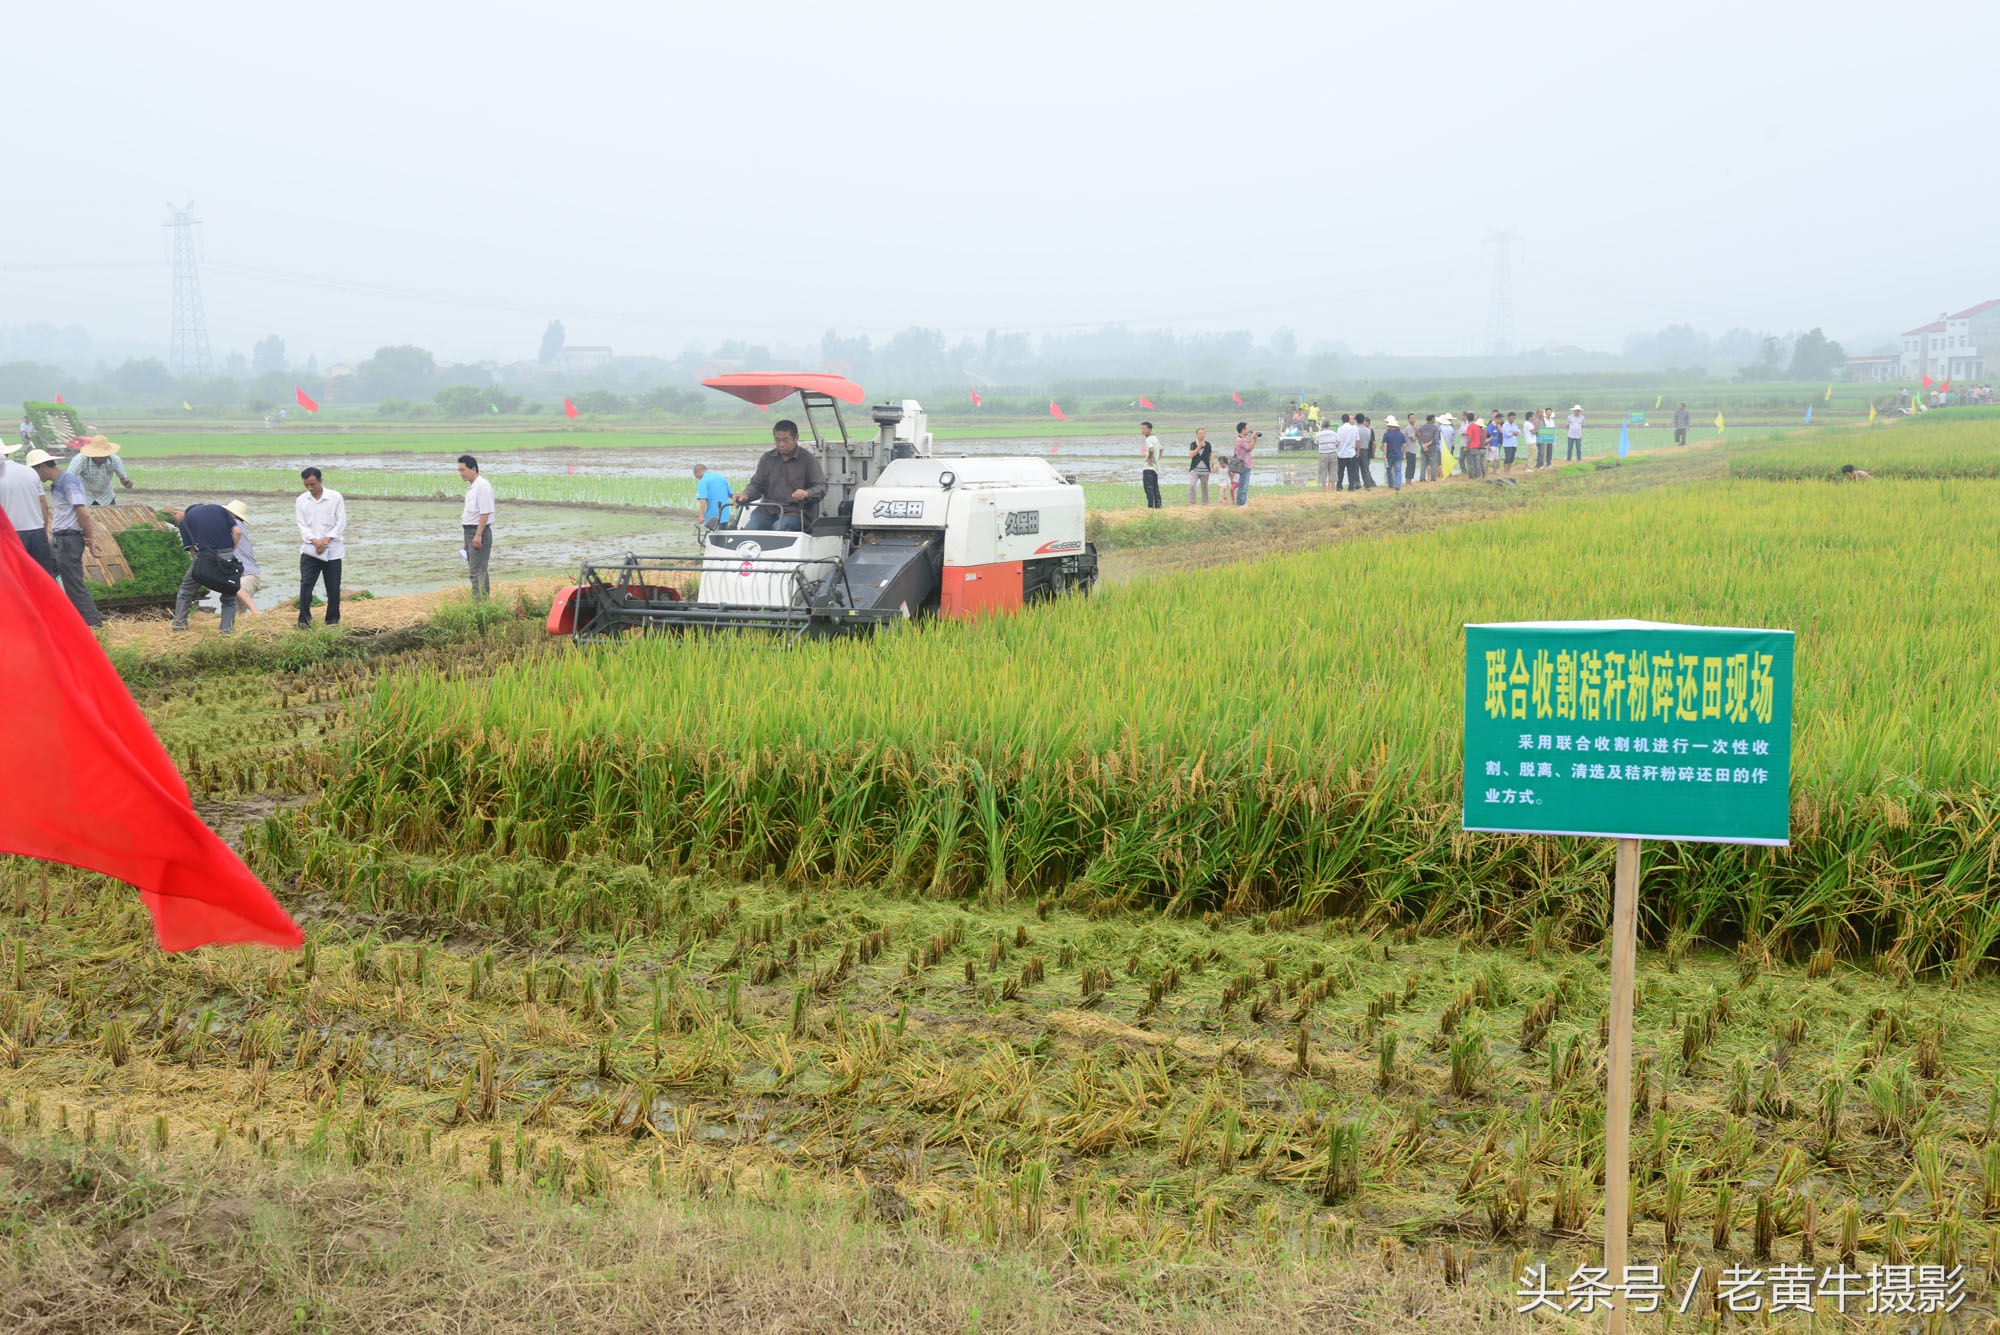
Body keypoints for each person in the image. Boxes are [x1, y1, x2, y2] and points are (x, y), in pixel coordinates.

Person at [34, 447, 105, 627]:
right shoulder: (57, 483)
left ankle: (94, 625)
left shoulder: (68, 482)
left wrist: (90, 539)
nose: (35, 475)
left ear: (42, 466)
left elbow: (83, 512)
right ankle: (66, 618)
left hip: (68, 539)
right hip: (60, 538)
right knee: (50, 572)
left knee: (74, 585)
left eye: (35, 470)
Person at [736, 419, 827, 531]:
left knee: (779, 529)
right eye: (777, 440)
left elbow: (821, 486)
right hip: (768, 511)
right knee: (751, 529)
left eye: (785, 440)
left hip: (796, 513)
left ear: (796, 438)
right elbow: (756, 485)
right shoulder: (767, 459)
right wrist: (746, 494)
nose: (781, 444)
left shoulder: (808, 460)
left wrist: (806, 493)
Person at [172, 500, 243, 636]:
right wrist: (229, 552)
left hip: (204, 557)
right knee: (229, 595)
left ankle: (179, 627)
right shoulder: (220, 509)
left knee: (185, 591)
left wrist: (202, 572)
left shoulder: (185, 521)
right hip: (227, 555)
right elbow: (238, 532)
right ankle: (226, 631)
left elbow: (193, 552)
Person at [295, 466, 346, 628]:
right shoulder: (301, 500)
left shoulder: (335, 497)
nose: (310, 488)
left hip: (333, 550)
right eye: (306, 485)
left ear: (320, 481)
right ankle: (304, 620)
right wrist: (315, 541)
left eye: (313, 484)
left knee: (333, 587)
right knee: (306, 585)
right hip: (310, 550)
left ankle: (332, 620)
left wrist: (326, 540)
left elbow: (341, 522)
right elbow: (301, 524)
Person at [2, 447, 55, 576]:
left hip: (11, 534)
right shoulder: (30, 472)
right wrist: (43, 529)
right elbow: (43, 503)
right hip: (37, 531)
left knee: (17, 576)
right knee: (43, 575)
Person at [456, 454, 495, 601]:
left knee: (476, 572)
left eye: (463, 470)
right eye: (459, 471)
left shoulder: (482, 486)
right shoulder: (472, 488)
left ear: (473, 469)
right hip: (470, 532)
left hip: (479, 531)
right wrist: (467, 540)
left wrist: (478, 535)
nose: (461, 474)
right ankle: (484, 603)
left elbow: (485, 512)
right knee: (479, 570)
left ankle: (478, 605)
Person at [66, 435, 133, 505]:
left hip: (106, 497)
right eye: (101, 455)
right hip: (85, 496)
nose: (104, 457)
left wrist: (126, 483)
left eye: (106, 454)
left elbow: (123, 479)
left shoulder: (114, 459)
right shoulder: (80, 460)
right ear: (93, 454)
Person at [223, 499, 261, 617]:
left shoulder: (234, 525)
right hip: (248, 574)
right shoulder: (238, 525)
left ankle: (256, 614)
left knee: (234, 600)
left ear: (234, 514)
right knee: (237, 611)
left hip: (247, 575)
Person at [692, 463, 734, 530]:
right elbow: (732, 495)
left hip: (713, 517)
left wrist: (701, 516)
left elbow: (703, 499)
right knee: (723, 535)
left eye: (697, 477)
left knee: (711, 536)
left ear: (699, 472)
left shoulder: (703, 480)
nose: (698, 479)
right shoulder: (720, 477)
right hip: (725, 515)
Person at [1333, 413, 1362, 491]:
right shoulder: (1355, 428)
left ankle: (1339, 486)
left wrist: (1336, 447)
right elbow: (1358, 441)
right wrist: (1358, 451)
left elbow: (1338, 441)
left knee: (1340, 471)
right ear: (1348, 420)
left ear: (1342, 420)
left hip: (1342, 454)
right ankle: (1351, 487)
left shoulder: (1340, 429)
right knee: (1351, 471)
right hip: (1351, 453)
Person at [1138, 421, 1163, 509]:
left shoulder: (1148, 439)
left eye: (1144, 428)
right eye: (1142, 428)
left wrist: (1149, 458)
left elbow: (1151, 449)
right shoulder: (1155, 438)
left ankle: (1150, 507)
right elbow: (1161, 449)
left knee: (1148, 488)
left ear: (1149, 429)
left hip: (1148, 467)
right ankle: (1158, 507)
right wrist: (1156, 460)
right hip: (1155, 468)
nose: (1142, 430)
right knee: (1155, 488)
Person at [1381, 415, 1407, 491]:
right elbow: (1404, 445)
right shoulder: (1401, 434)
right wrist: (1404, 454)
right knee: (1398, 471)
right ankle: (1398, 484)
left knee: (1389, 471)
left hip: (1389, 456)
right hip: (1398, 455)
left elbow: (1385, 445)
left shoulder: (1387, 434)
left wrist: (1384, 455)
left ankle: (1391, 485)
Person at [1187, 428, 1213, 505]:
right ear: (1197, 435)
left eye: (1203, 433)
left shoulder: (1208, 444)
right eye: (1200, 433)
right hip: (1195, 469)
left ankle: (1205, 503)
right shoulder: (1193, 444)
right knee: (1192, 485)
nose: (1201, 435)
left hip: (1205, 469)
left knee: (1204, 487)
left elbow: (1210, 454)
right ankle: (1191, 502)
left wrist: (1212, 461)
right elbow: (1191, 455)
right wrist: (1199, 447)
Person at [1231, 422, 1254, 506]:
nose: (1248, 431)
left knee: (1242, 485)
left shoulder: (1241, 439)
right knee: (1244, 486)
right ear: (1242, 430)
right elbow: (1249, 448)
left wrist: (1254, 439)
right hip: (1244, 465)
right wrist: (1252, 438)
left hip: (1245, 465)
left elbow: (1250, 448)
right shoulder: (1240, 440)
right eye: (1246, 429)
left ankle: (1240, 503)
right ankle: (1242, 503)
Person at [1314, 416, 1339, 489]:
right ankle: (1332, 488)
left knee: (1323, 471)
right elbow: (1337, 443)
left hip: (1323, 454)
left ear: (1322, 425)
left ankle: (1324, 489)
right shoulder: (1334, 433)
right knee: (1333, 471)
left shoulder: (1319, 434)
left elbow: (1316, 442)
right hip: (1333, 453)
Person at [1414, 414, 1440, 483]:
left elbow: (1419, 437)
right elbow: (1435, 438)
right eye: (1434, 419)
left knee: (1423, 464)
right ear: (1432, 419)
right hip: (1432, 449)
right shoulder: (1435, 427)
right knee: (1433, 464)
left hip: (1423, 449)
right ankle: (1433, 479)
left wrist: (1423, 445)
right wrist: (1428, 444)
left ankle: (1422, 479)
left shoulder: (1422, 427)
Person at [1461, 413, 1486, 478]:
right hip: (1477, 447)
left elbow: (1469, 438)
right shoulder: (1477, 427)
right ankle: (1478, 476)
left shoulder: (1470, 427)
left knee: (1470, 463)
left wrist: (1466, 447)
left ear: (1467, 418)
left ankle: (1472, 477)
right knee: (1476, 462)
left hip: (1471, 447)